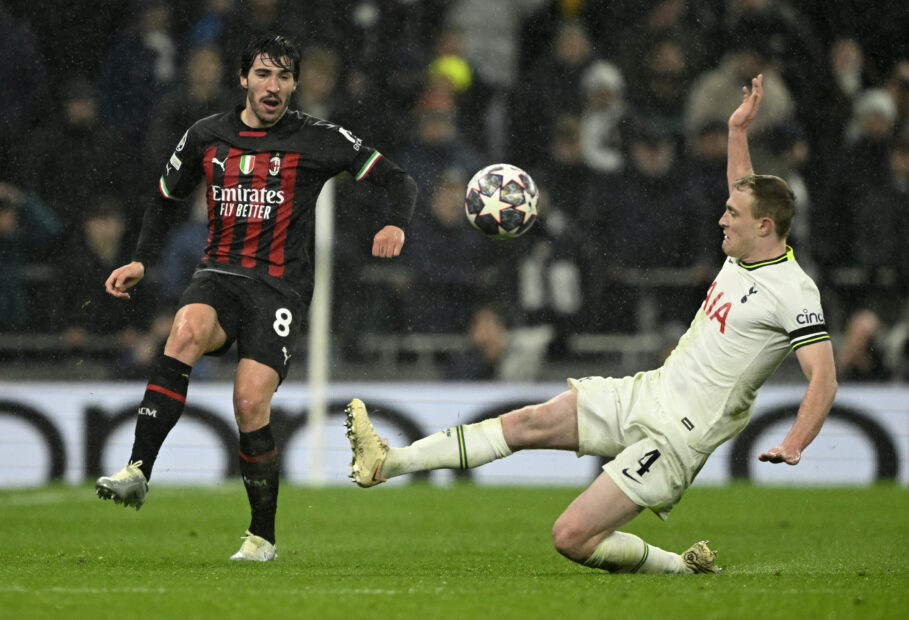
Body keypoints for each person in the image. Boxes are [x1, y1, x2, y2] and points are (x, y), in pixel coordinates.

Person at [344, 75, 837, 574]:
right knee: (529, 422)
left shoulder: (793, 291)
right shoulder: (743, 249)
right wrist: (736, 131)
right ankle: (387, 462)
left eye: (732, 214)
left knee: (572, 537)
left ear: (764, 226)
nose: (721, 220)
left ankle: (682, 568)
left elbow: (823, 377)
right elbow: (744, 185)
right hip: (650, 392)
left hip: (678, 436)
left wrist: (794, 442)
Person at [94, 34, 417, 562]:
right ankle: (138, 470)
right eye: (263, 74)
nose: (274, 86)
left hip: (278, 288)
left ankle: (262, 536)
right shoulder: (205, 134)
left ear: (294, 84)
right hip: (218, 274)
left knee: (248, 403)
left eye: (284, 76)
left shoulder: (318, 138)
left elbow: (399, 180)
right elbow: (165, 199)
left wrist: (395, 223)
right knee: (185, 331)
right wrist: (140, 260)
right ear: (243, 78)